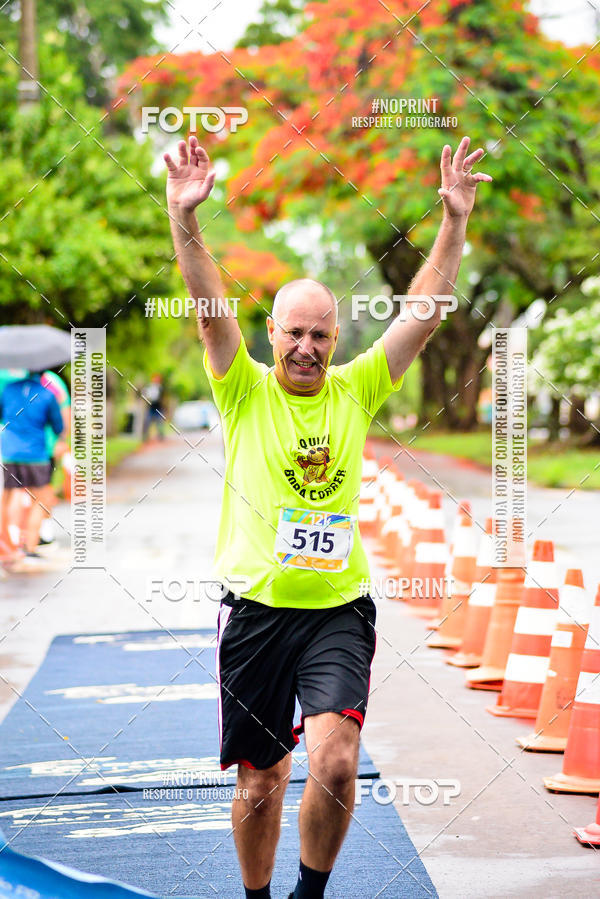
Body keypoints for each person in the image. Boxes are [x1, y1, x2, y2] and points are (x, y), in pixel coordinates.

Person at [164, 134, 491, 899]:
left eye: (320, 334)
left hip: (338, 609)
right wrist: (184, 217)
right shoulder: (242, 390)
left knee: (338, 759)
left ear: (335, 339)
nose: (306, 347)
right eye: (293, 333)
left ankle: (311, 894)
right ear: (271, 333)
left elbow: (425, 311)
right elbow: (209, 308)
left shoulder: (357, 387)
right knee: (262, 777)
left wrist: (455, 220)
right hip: (255, 615)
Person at [0, 370, 64, 560]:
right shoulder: (47, 393)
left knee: (8, 498)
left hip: (11, 453)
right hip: (36, 455)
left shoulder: (8, 389)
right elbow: (58, 426)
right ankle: (30, 545)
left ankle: (6, 544)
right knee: (42, 500)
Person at [141, 373, 166, 440]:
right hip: (151, 408)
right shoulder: (149, 387)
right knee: (147, 422)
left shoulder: (160, 388)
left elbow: (162, 398)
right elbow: (146, 396)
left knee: (159, 423)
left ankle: (160, 436)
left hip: (158, 408)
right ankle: (145, 437)